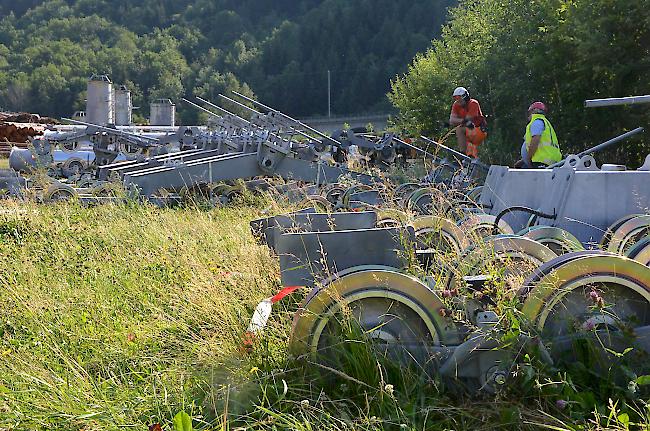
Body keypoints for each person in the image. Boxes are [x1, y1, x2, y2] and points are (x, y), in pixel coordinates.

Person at [448, 87, 488, 158]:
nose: (458, 101)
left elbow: (468, 120)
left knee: (461, 129)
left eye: (459, 98)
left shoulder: (473, 103)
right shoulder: (456, 104)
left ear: (465, 97)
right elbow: (451, 120)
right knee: (460, 129)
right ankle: (464, 155)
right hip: (469, 130)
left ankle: (464, 155)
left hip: (479, 129)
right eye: (456, 98)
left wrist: (458, 121)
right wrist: (461, 121)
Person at [521, 101, 561, 168]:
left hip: (540, 162)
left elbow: (535, 139)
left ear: (533, 111)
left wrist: (528, 158)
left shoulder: (537, 122)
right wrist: (523, 161)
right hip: (549, 162)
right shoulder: (544, 122)